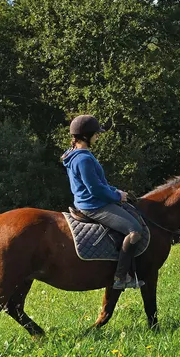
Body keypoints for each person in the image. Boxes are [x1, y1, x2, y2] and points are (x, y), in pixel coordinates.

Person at [61, 114, 144, 289]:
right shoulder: (83, 159)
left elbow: (99, 184)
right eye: (95, 134)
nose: (98, 136)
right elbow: (96, 189)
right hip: (94, 206)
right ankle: (121, 277)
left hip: (89, 201)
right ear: (86, 136)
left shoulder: (74, 155)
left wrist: (117, 191)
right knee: (135, 230)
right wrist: (116, 197)